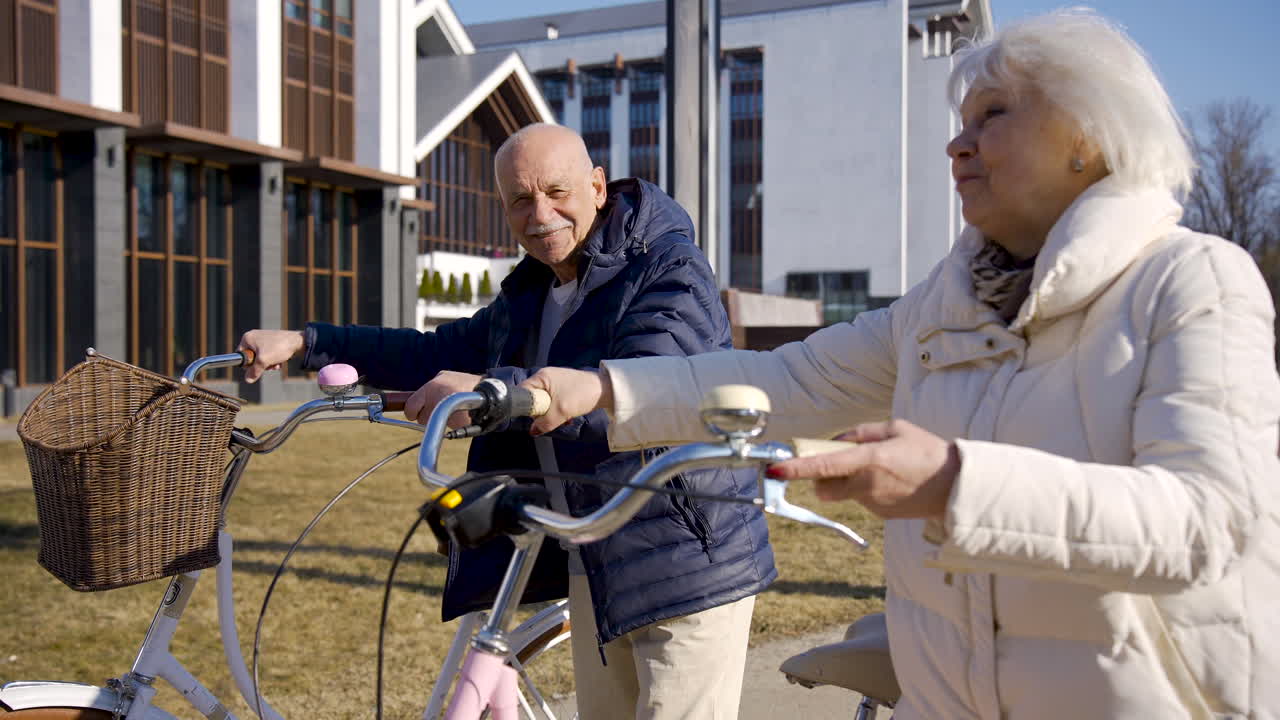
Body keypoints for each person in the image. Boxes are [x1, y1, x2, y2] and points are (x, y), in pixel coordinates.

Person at [522, 10, 1280, 720]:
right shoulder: (943, 305)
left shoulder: (1193, 282)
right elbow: (792, 379)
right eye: (960, 124)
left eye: (992, 116)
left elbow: (1211, 524)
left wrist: (955, 483)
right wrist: (605, 388)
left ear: (1087, 133)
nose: (958, 146)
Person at [237, 123, 775, 720]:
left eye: (557, 192)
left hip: (686, 557)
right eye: (520, 199)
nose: (540, 215)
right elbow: (431, 352)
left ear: (598, 187)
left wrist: (496, 390)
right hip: (595, 558)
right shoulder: (533, 292)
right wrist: (306, 342)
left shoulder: (667, 267)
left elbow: (645, 389)